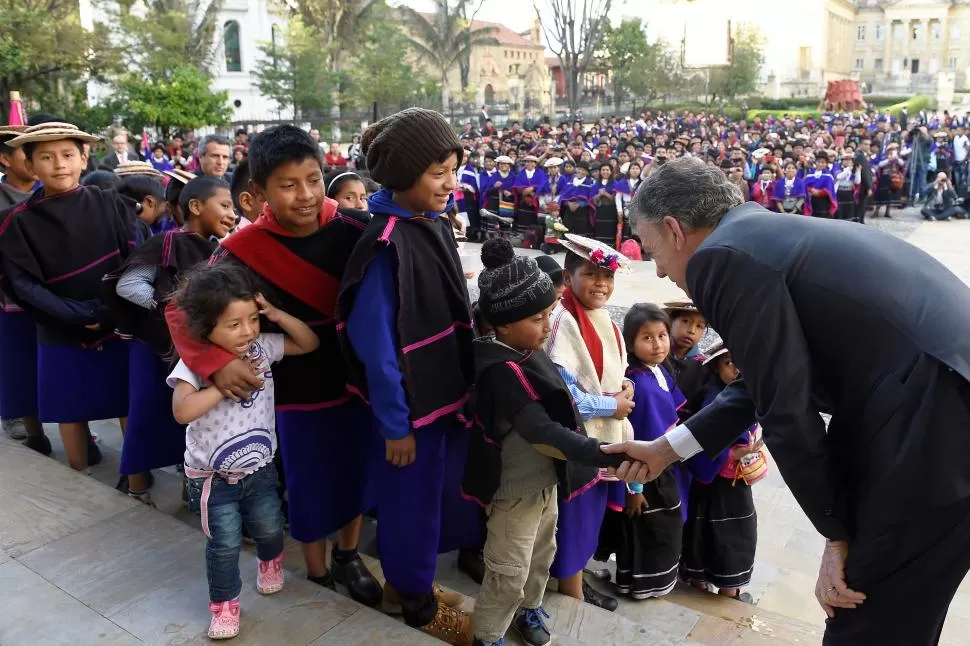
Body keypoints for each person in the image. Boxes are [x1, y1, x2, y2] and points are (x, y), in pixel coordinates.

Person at [607, 155, 970, 645]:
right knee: (903, 610)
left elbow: (786, 412)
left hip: (933, 425)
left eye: (653, 252)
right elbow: (761, 380)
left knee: (864, 611)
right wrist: (666, 450)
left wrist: (836, 530)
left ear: (674, 230)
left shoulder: (722, 257)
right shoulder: (762, 235)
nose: (661, 271)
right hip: (943, 403)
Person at [165, 125, 382, 608]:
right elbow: (182, 311)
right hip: (293, 388)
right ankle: (319, 570)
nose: (305, 195)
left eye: (312, 179)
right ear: (257, 193)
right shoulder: (242, 251)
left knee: (356, 472)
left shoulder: (353, 230)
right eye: (287, 185)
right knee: (309, 483)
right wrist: (217, 364)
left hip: (355, 381)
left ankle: (348, 555)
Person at [338, 108, 481, 645]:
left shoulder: (430, 224)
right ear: (402, 177)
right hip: (410, 413)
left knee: (431, 502)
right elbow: (375, 347)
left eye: (454, 168)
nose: (452, 183)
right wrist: (395, 424)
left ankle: (408, 583)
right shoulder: (385, 244)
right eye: (438, 172)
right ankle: (416, 607)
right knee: (409, 508)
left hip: (440, 398)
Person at [463, 238, 629, 646]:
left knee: (541, 554)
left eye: (548, 314)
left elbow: (565, 397)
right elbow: (542, 431)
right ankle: (488, 634)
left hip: (544, 485)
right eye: (538, 318)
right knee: (509, 567)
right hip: (515, 490)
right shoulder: (501, 369)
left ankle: (529, 608)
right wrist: (604, 452)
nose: (546, 325)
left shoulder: (526, 349)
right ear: (503, 324)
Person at [169, 263, 319, 640]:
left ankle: (270, 562)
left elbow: (308, 343)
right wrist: (221, 385)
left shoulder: (262, 347)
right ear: (206, 328)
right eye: (234, 325)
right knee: (224, 545)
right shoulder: (195, 365)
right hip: (213, 479)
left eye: (252, 319)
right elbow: (182, 411)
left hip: (261, 468)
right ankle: (224, 605)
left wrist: (275, 315)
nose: (248, 330)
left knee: (269, 528)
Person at [0, 122, 135, 471]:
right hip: (57, 325)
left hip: (115, 319)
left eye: (67, 155)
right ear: (30, 166)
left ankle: (137, 478)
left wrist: (108, 310)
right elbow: (23, 284)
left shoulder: (111, 204)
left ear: (84, 159)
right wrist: (76, 314)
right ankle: (79, 474)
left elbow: (133, 258)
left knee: (126, 400)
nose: (59, 164)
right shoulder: (16, 221)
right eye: (46, 157)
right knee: (69, 407)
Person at [104, 176, 233, 505]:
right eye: (225, 205)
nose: (232, 214)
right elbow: (129, 286)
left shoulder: (224, 248)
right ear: (195, 206)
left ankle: (190, 488)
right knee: (146, 417)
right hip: (155, 346)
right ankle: (137, 489)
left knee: (192, 423)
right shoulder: (166, 242)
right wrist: (171, 310)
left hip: (196, 350)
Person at [543, 233, 635, 612]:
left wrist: (625, 385)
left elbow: (615, 369)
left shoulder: (603, 320)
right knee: (576, 514)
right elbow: (566, 395)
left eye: (608, 277)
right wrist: (611, 406)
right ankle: (570, 584)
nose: (602, 284)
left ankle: (576, 572)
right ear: (568, 278)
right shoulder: (562, 321)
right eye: (592, 275)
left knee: (592, 513)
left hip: (606, 434)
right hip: (581, 436)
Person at [608, 303, 686, 600]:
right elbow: (633, 437)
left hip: (663, 466)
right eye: (647, 338)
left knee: (663, 527)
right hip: (643, 473)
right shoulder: (636, 381)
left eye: (662, 335)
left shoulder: (659, 372)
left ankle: (657, 581)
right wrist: (633, 489)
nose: (657, 345)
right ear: (631, 343)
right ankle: (639, 585)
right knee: (646, 531)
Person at [679, 342, 761, 603]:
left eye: (741, 362)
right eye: (728, 363)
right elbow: (706, 444)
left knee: (709, 533)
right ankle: (728, 591)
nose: (736, 369)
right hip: (723, 484)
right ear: (715, 366)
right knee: (733, 536)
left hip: (722, 482)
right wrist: (737, 453)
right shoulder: (715, 400)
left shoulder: (729, 394)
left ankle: (702, 582)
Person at [0, 126, 43, 446]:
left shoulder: (47, 193)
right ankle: (19, 418)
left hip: (52, 293)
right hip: (10, 296)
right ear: (5, 159)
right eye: (24, 153)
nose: (32, 160)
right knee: (16, 362)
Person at [803, 152, 837, 217]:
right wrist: (811, 190)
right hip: (812, 200)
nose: (820, 164)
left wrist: (819, 192)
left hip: (823, 202)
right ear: (815, 162)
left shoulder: (828, 175)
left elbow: (829, 189)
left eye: (823, 162)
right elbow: (805, 185)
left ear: (826, 163)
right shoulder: (810, 174)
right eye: (818, 162)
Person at [833, 155, 861, 222]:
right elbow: (839, 176)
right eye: (845, 160)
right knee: (839, 211)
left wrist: (858, 171)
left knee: (849, 211)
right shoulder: (838, 168)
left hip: (849, 193)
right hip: (840, 193)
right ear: (842, 161)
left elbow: (857, 181)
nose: (847, 161)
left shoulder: (852, 170)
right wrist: (848, 168)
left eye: (849, 160)